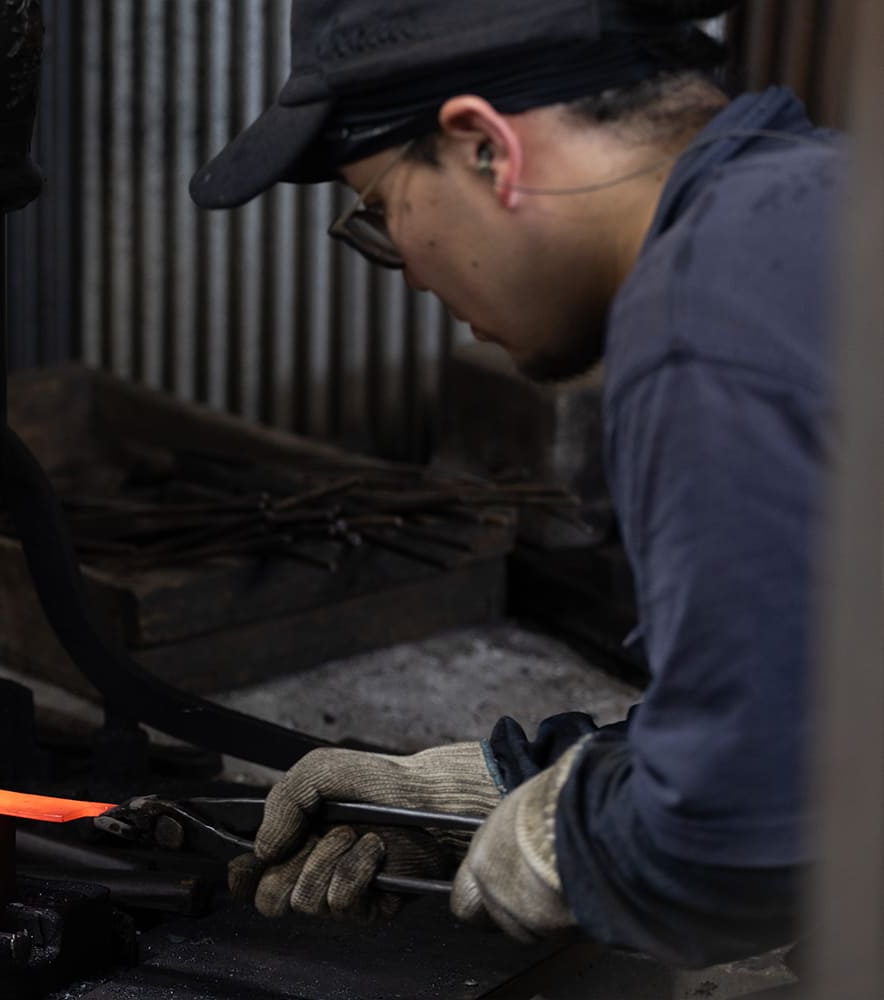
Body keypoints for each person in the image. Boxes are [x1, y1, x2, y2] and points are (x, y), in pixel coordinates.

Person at [191, 0, 840, 968]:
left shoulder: (700, 319)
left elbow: (733, 834)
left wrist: (567, 844)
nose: (406, 269)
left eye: (379, 211)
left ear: (488, 149)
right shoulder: (808, 206)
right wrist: (497, 787)